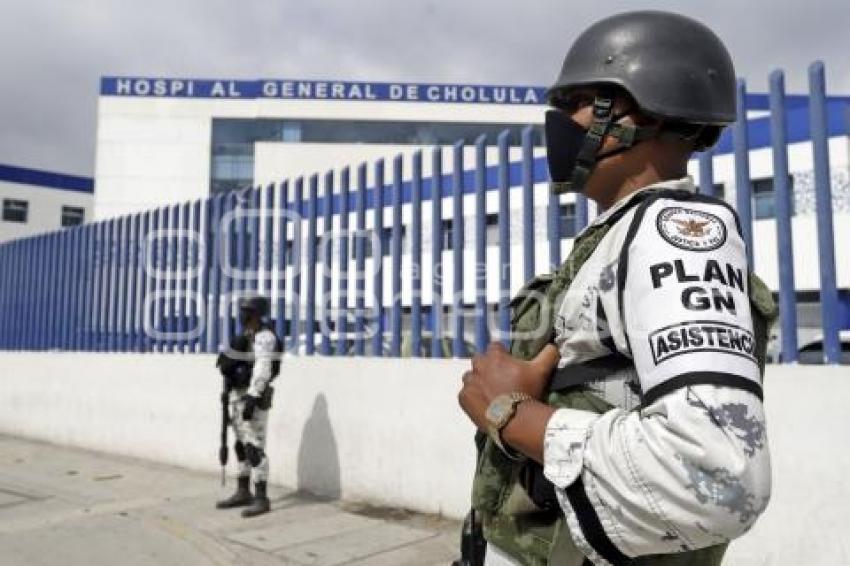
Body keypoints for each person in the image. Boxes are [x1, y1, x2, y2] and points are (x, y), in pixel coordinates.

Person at [458, 11, 776, 566]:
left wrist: (509, 414)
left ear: (638, 112)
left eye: (580, 101)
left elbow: (720, 478)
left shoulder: (674, 234)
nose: (563, 120)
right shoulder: (615, 235)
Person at [216, 295, 283, 518]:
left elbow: (263, 367)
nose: (242, 314)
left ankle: (261, 497)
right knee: (240, 446)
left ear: (257, 313)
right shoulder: (245, 336)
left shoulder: (264, 336)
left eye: (246, 311)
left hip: (252, 397)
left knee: (254, 448)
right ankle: (243, 490)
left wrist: (253, 398)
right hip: (237, 395)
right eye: (241, 310)